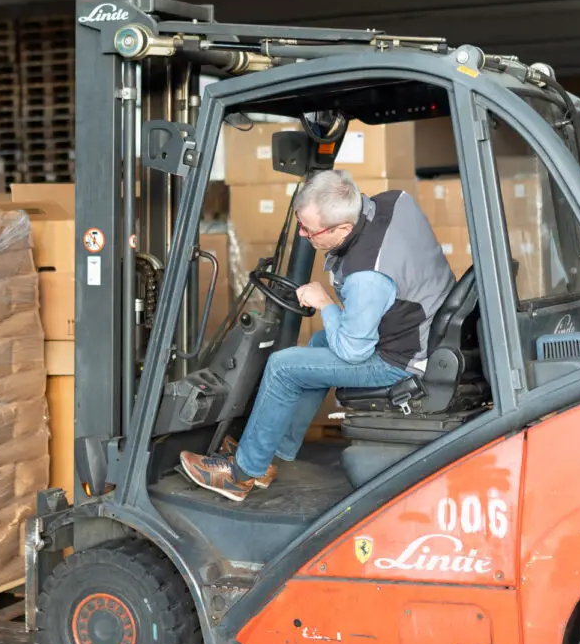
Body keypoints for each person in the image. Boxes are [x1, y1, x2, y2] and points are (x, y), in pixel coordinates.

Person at [179, 169, 456, 503]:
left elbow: (353, 351)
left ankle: (240, 475)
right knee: (318, 345)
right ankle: (269, 453)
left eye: (309, 231)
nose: (302, 233)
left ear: (343, 229)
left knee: (283, 367)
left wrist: (325, 303)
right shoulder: (396, 202)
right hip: (422, 332)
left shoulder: (367, 276)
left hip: (401, 361)